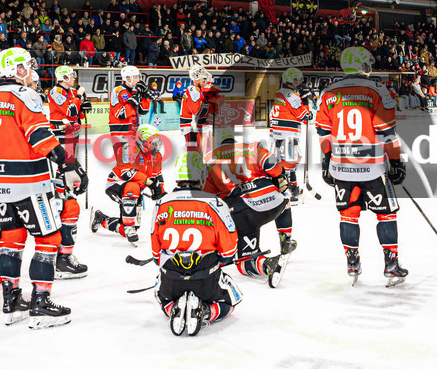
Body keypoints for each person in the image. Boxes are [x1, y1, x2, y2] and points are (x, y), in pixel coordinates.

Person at [0, 48, 81, 328]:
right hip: (28, 181)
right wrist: (68, 163)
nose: (30, 70)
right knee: (49, 239)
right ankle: (40, 301)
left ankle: (11, 301)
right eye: (26, 65)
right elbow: (40, 137)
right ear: (17, 70)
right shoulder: (25, 95)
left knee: (11, 240)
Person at [315, 46, 407, 287]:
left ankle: (352, 263)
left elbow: (323, 132)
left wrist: (327, 159)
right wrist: (396, 161)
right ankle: (391, 265)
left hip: (341, 165)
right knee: (386, 213)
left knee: (348, 214)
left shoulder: (328, 92)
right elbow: (387, 133)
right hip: (372, 167)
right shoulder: (377, 90)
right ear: (363, 65)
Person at [153, 152, 242, 336]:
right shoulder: (216, 204)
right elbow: (229, 250)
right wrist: (223, 258)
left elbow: (156, 253)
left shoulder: (161, 203)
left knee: (161, 298)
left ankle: (173, 309)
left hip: (172, 279)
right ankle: (206, 311)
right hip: (206, 279)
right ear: (202, 175)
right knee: (230, 303)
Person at [203, 127, 291, 286]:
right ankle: (286, 239)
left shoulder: (209, 159)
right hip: (273, 204)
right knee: (284, 194)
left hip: (244, 213)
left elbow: (207, 200)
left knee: (244, 262)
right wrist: (280, 175)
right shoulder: (251, 147)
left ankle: (265, 264)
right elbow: (272, 165)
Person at [46, 65, 91, 279]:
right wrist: (79, 99)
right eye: (71, 75)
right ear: (63, 77)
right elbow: (69, 111)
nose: (74, 78)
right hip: (60, 135)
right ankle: (61, 193)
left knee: (72, 167)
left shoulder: (71, 92)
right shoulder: (56, 91)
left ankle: (66, 191)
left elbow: (78, 112)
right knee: (65, 166)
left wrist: (84, 103)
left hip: (72, 133)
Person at [92, 124, 165, 245]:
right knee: (133, 187)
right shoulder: (129, 148)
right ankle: (129, 227)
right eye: (152, 142)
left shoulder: (156, 156)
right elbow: (127, 173)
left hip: (136, 188)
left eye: (157, 143)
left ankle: (102, 220)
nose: (156, 146)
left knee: (130, 226)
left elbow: (157, 175)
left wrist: (159, 190)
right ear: (142, 140)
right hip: (117, 184)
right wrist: (150, 182)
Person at [269, 67, 313, 208]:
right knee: (290, 163)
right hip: (287, 133)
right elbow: (304, 116)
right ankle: (290, 192)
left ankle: (286, 189)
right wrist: (306, 101)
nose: (299, 83)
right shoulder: (290, 95)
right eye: (297, 80)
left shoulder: (281, 93)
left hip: (277, 132)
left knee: (282, 162)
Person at [106, 65, 150, 166]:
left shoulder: (135, 91)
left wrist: (144, 95)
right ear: (127, 78)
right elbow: (120, 114)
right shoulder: (117, 91)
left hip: (134, 131)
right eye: (135, 77)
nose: (138, 80)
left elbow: (144, 110)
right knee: (124, 164)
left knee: (136, 163)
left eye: (138, 77)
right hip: (120, 131)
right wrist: (132, 102)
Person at [180, 66, 219, 154]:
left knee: (199, 151)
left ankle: (198, 165)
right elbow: (197, 110)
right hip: (190, 127)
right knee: (193, 152)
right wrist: (212, 106)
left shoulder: (198, 91)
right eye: (203, 79)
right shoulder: (192, 89)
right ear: (196, 80)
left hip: (196, 126)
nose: (205, 81)